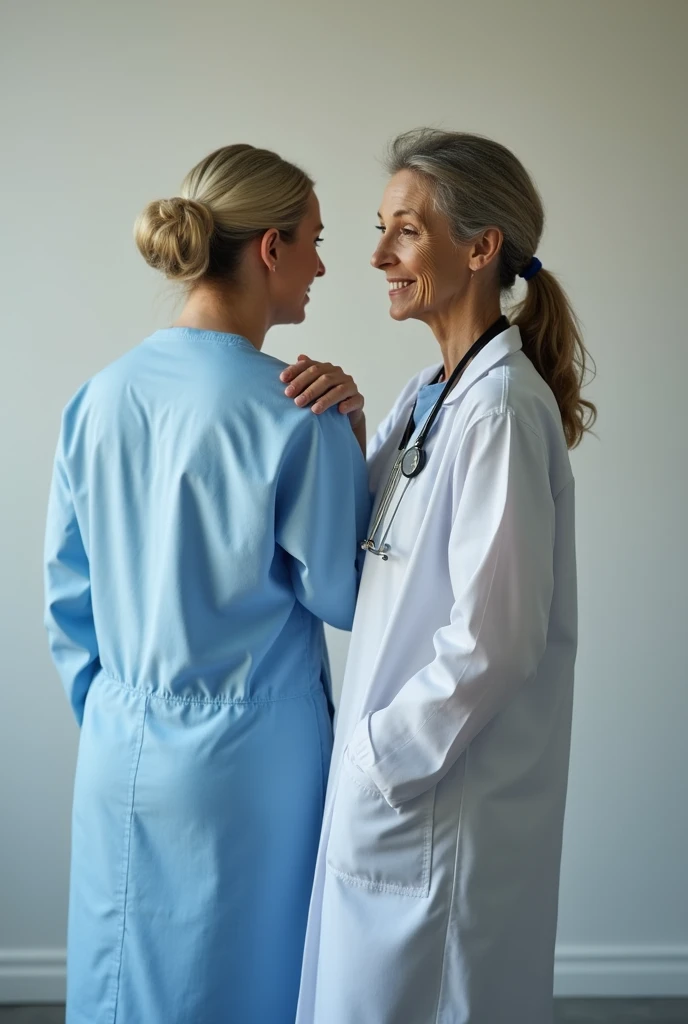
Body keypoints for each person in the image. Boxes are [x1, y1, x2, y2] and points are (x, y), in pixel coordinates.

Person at [43, 143, 369, 1024]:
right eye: (314, 239)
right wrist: (355, 439)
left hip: (116, 750)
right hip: (248, 774)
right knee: (235, 993)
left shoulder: (99, 398)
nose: (324, 263)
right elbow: (349, 596)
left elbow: (66, 602)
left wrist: (120, 712)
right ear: (270, 248)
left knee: (120, 994)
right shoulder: (301, 413)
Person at [284, 129, 596, 1024]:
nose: (378, 256)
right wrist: (346, 431)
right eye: (379, 230)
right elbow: (361, 567)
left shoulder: (498, 410)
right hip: (397, 795)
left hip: (432, 803)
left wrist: (381, 760)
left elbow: (494, 641)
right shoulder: (431, 393)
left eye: (406, 232)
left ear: (480, 246)